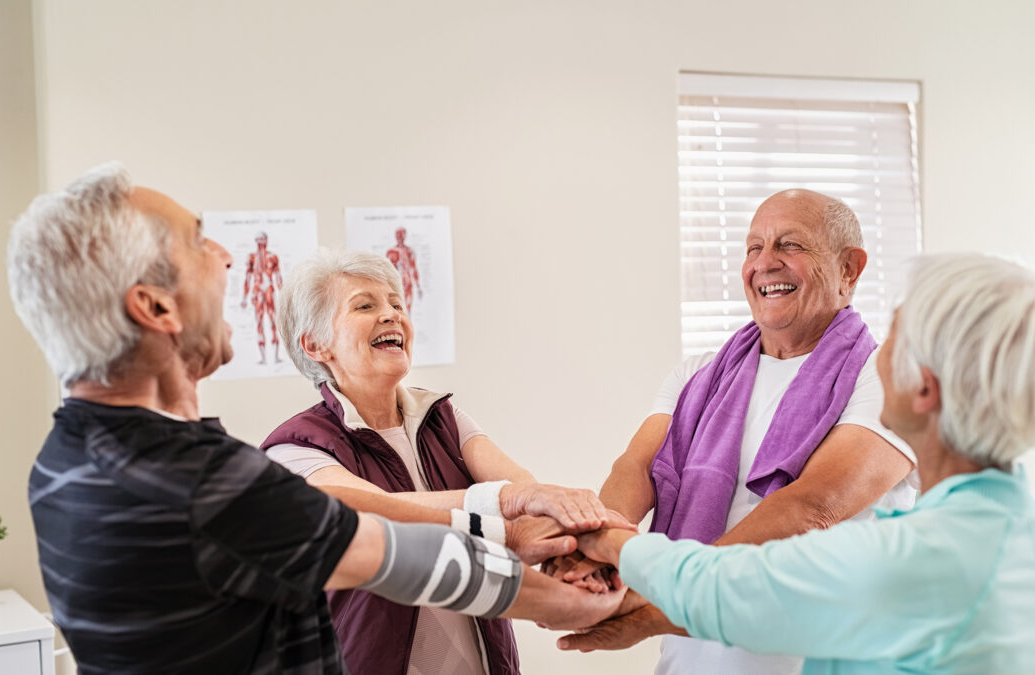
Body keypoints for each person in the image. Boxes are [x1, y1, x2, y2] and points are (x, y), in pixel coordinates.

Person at [7, 163, 625, 675]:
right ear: (154, 305)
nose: (226, 258)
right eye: (199, 241)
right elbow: (403, 555)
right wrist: (576, 604)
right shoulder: (192, 478)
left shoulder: (67, 455)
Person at [563, 253, 1035, 673]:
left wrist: (598, 539)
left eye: (895, 338)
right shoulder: (1006, 529)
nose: (876, 351)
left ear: (924, 389)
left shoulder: (906, 558)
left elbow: (726, 585)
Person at [570, 189, 918, 674]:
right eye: (754, 247)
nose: (765, 263)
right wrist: (594, 555)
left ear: (849, 269)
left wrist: (664, 603)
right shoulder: (698, 374)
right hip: (689, 658)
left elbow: (811, 506)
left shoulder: (889, 378)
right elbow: (636, 468)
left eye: (791, 245)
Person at [261, 247, 624, 674]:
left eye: (397, 304)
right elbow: (379, 518)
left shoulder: (443, 417)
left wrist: (565, 553)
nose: (392, 315)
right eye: (365, 305)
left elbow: (526, 492)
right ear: (316, 345)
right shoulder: (296, 449)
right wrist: (510, 517)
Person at [241, 231, 284, 363]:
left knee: (273, 321)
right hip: (258, 292)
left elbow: (278, 277)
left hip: (269, 291)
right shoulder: (252, 258)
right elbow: (247, 279)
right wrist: (244, 297)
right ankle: (264, 358)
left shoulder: (273, 257)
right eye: (259, 240)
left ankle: (275, 356)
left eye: (263, 240)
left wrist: (283, 295)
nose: (261, 244)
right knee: (259, 322)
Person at [386, 226, 421, 313]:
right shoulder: (391, 252)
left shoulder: (410, 251)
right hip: (396, 285)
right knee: (397, 309)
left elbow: (414, 269)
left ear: (405, 236)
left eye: (401, 235)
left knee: (408, 310)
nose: (399, 238)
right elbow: (388, 270)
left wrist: (418, 286)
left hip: (408, 284)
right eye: (398, 235)